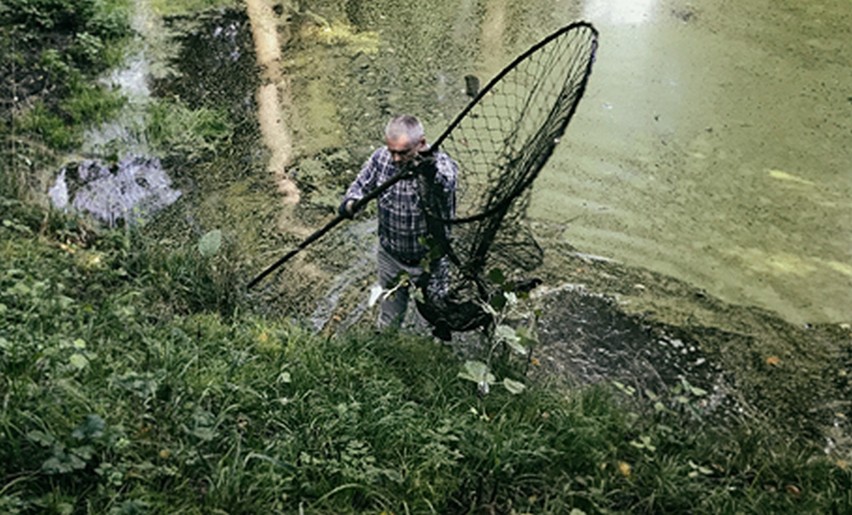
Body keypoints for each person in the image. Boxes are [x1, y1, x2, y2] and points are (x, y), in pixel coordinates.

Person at [339, 115, 458, 330]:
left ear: (421, 143)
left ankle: (430, 355)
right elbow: (360, 186)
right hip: (391, 256)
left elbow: (446, 183)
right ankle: (387, 350)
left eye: (402, 153)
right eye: (391, 150)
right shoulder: (380, 159)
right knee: (389, 319)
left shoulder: (441, 164)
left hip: (431, 262)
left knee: (433, 322)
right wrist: (351, 202)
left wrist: (429, 172)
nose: (395, 158)